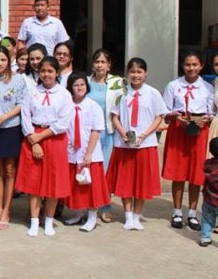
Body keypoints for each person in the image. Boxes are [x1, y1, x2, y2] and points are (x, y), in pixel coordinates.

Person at [15, 57, 72, 237]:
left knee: (52, 183)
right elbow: (25, 116)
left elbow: (63, 122)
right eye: (43, 71)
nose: (46, 74)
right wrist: (34, 140)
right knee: (34, 183)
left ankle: (48, 220)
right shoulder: (32, 92)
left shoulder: (64, 94)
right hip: (33, 137)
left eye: (50, 71)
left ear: (57, 73)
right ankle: (34, 220)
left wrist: (41, 137)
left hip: (54, 138)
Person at [108, 57, 166, 231]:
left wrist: (145, 134)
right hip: (124, 144)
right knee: (126, 180)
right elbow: (114, 116)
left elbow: (159, 117)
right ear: (127, 73)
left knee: (142, 181)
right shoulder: (121, 93)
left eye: (139, 72)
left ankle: (136, 216)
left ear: (145, 73)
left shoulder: (153, 93)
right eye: (132, 72)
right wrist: (122, 133)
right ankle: (127, 215)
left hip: (145, 143)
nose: (136, 75)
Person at [162, 51, 215, 231]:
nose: (191, 68)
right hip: (179, 128)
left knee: (196, 172)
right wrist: (175, 117)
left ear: (201, 66)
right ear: (182, 65)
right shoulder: (173, 85)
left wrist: (205, 119)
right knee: (179, 171)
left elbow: (212, 111)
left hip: (199, 129)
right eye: (187, 64)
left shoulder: (207, 87)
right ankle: (177, 211)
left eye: (194, 64)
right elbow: (165, 110)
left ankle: (192, 213)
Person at [0, 46, 27, 229]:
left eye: (3, 60)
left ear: (9, 61)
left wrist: (3, 117)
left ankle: (7, 210)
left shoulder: (17, 80)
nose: (0, 63)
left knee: (10, 171)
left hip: (11, 128)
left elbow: (22, 104)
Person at [63, 72, 110, 233]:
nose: (79, 88)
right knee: (75, 185)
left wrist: (88, 153)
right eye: (76, 85)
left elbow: (96, 131)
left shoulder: (93, 106)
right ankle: (78, 214)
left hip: (90, 153)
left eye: (82, 84)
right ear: (70, 87)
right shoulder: (67, 105)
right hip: (72, 152)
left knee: (91, 186)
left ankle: (92, 217)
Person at [87, 48, 124, 223]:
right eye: (97, 62)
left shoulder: (117, 83)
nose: (99, 65)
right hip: (89, 134)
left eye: (103, 62)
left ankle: (105, 206)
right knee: (90, 171)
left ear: (109, 65)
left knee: (105, 171)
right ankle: (89, 206)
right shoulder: (86, 82)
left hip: (108, 133)